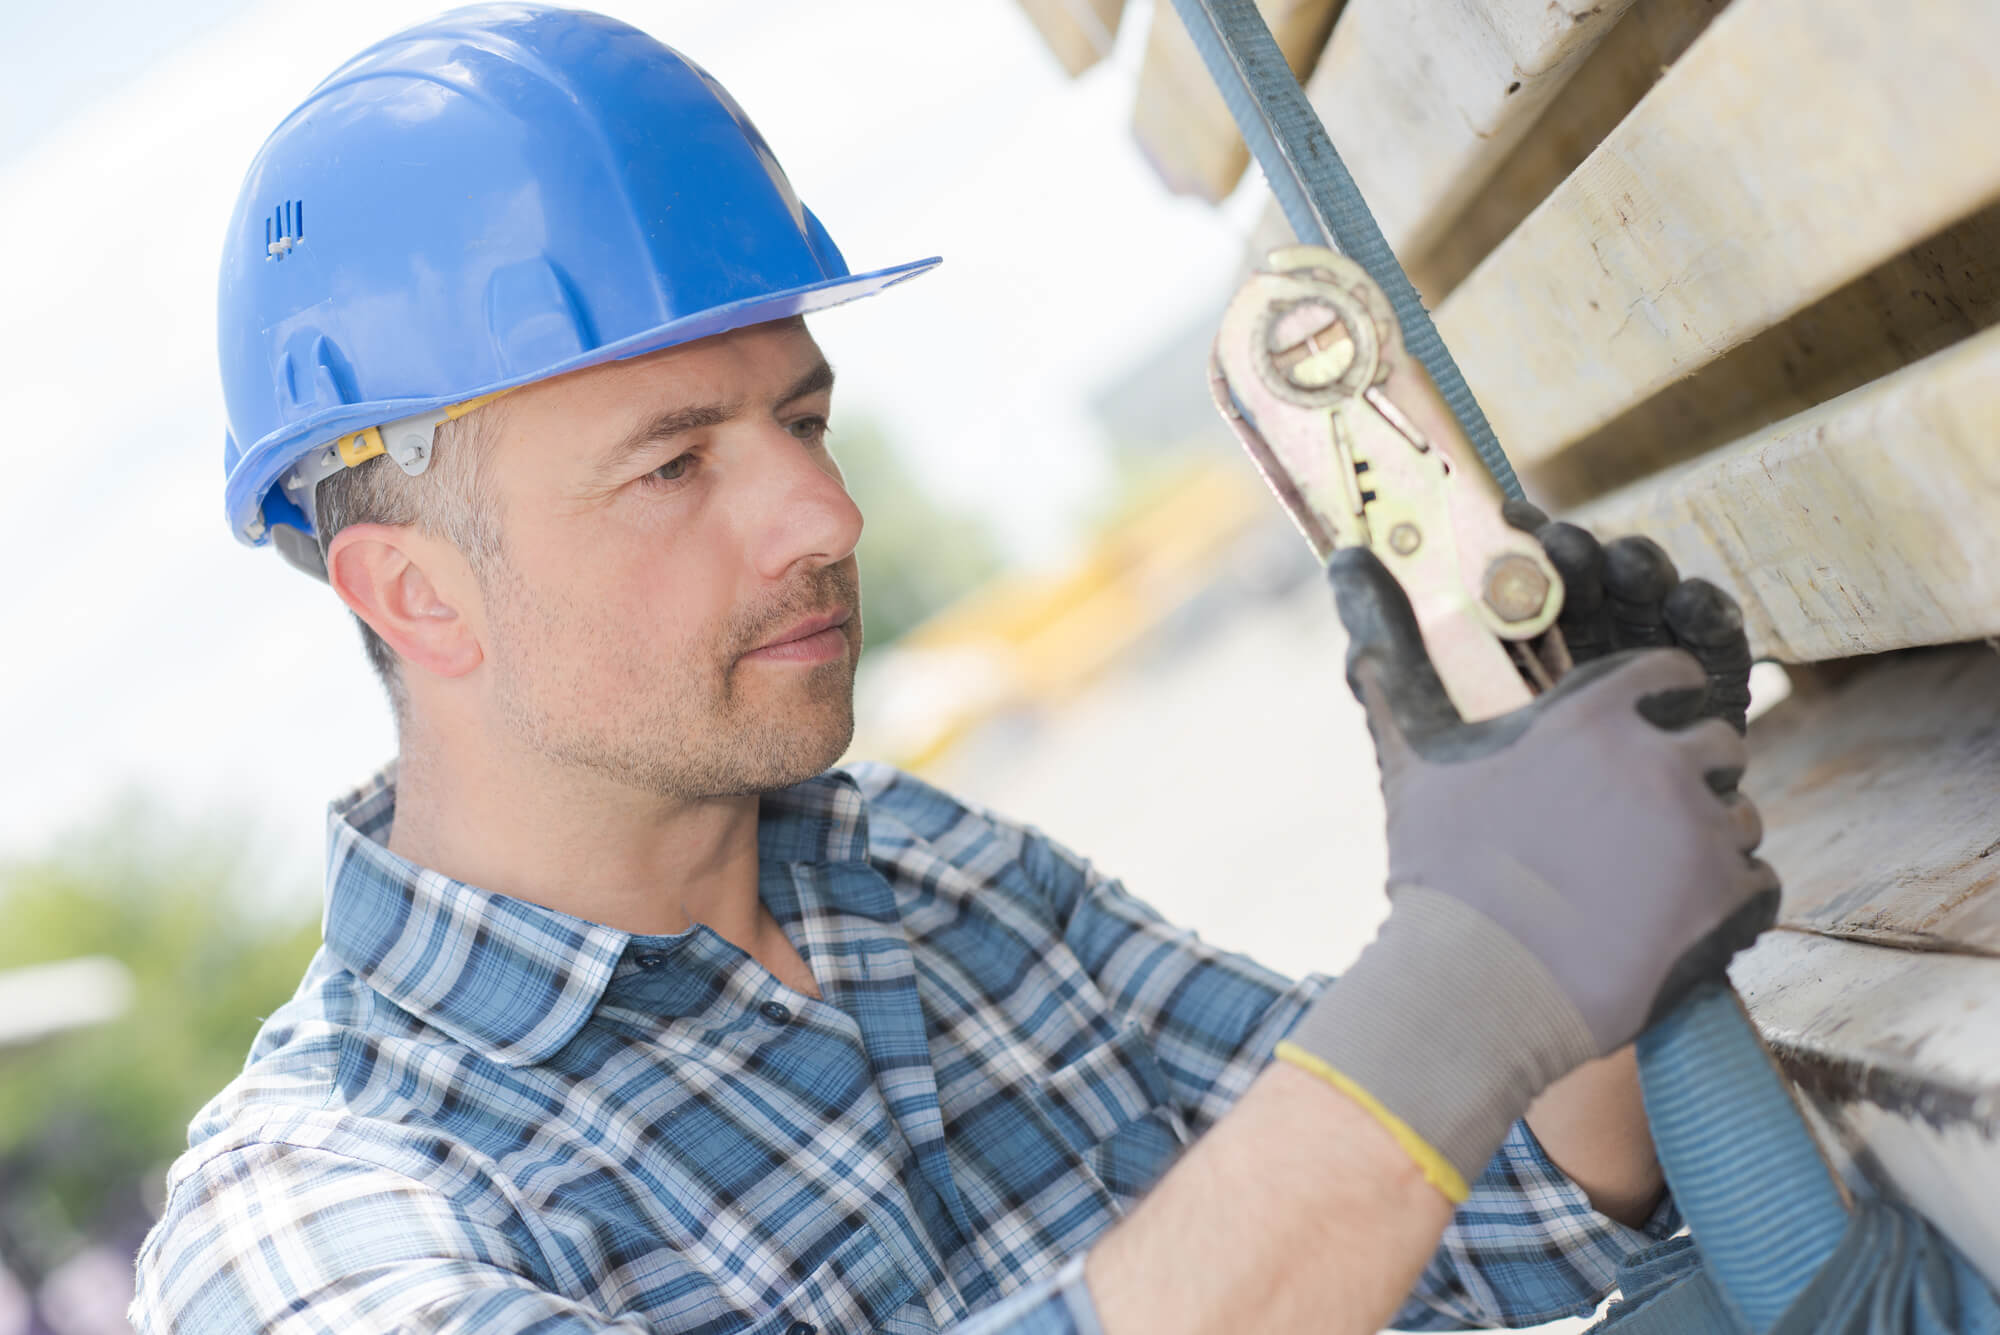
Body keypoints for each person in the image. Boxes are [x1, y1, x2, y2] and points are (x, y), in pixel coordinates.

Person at [130, 8, 1777, 1333]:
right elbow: (1400, 1100)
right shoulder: (305, 1229)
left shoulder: (927, 884)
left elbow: (1494, 1222)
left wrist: (1573, 844)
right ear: (414, 594)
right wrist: (1459, 986)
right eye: (674, 465)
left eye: (800, 418)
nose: (824, 514)